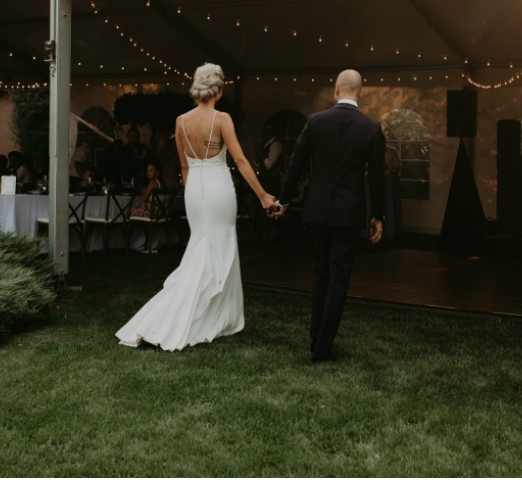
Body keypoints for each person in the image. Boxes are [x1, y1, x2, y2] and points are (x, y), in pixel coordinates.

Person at [116, 63, 276, 351]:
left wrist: (192, 200)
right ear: (219, 89)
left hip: (195, 193)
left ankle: (202, 312)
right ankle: (212, 316)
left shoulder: (180, 121)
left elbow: (184, 167)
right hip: (218, 189)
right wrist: (263, 195)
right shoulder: (222, 118)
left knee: (201, 246)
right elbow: (239, 161)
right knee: (221, 246)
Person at [272, 70, 387, 363]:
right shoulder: (371, 129)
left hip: (317, 210)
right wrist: (379, 216)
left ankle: (316, 339)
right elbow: (377, 177)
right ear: (361, 93)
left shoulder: (315, 121)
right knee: (339, 278)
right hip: (349, 213)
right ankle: (322, 348)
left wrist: (284, 200)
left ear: (336, 89)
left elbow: (296, 163)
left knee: (320, 272)